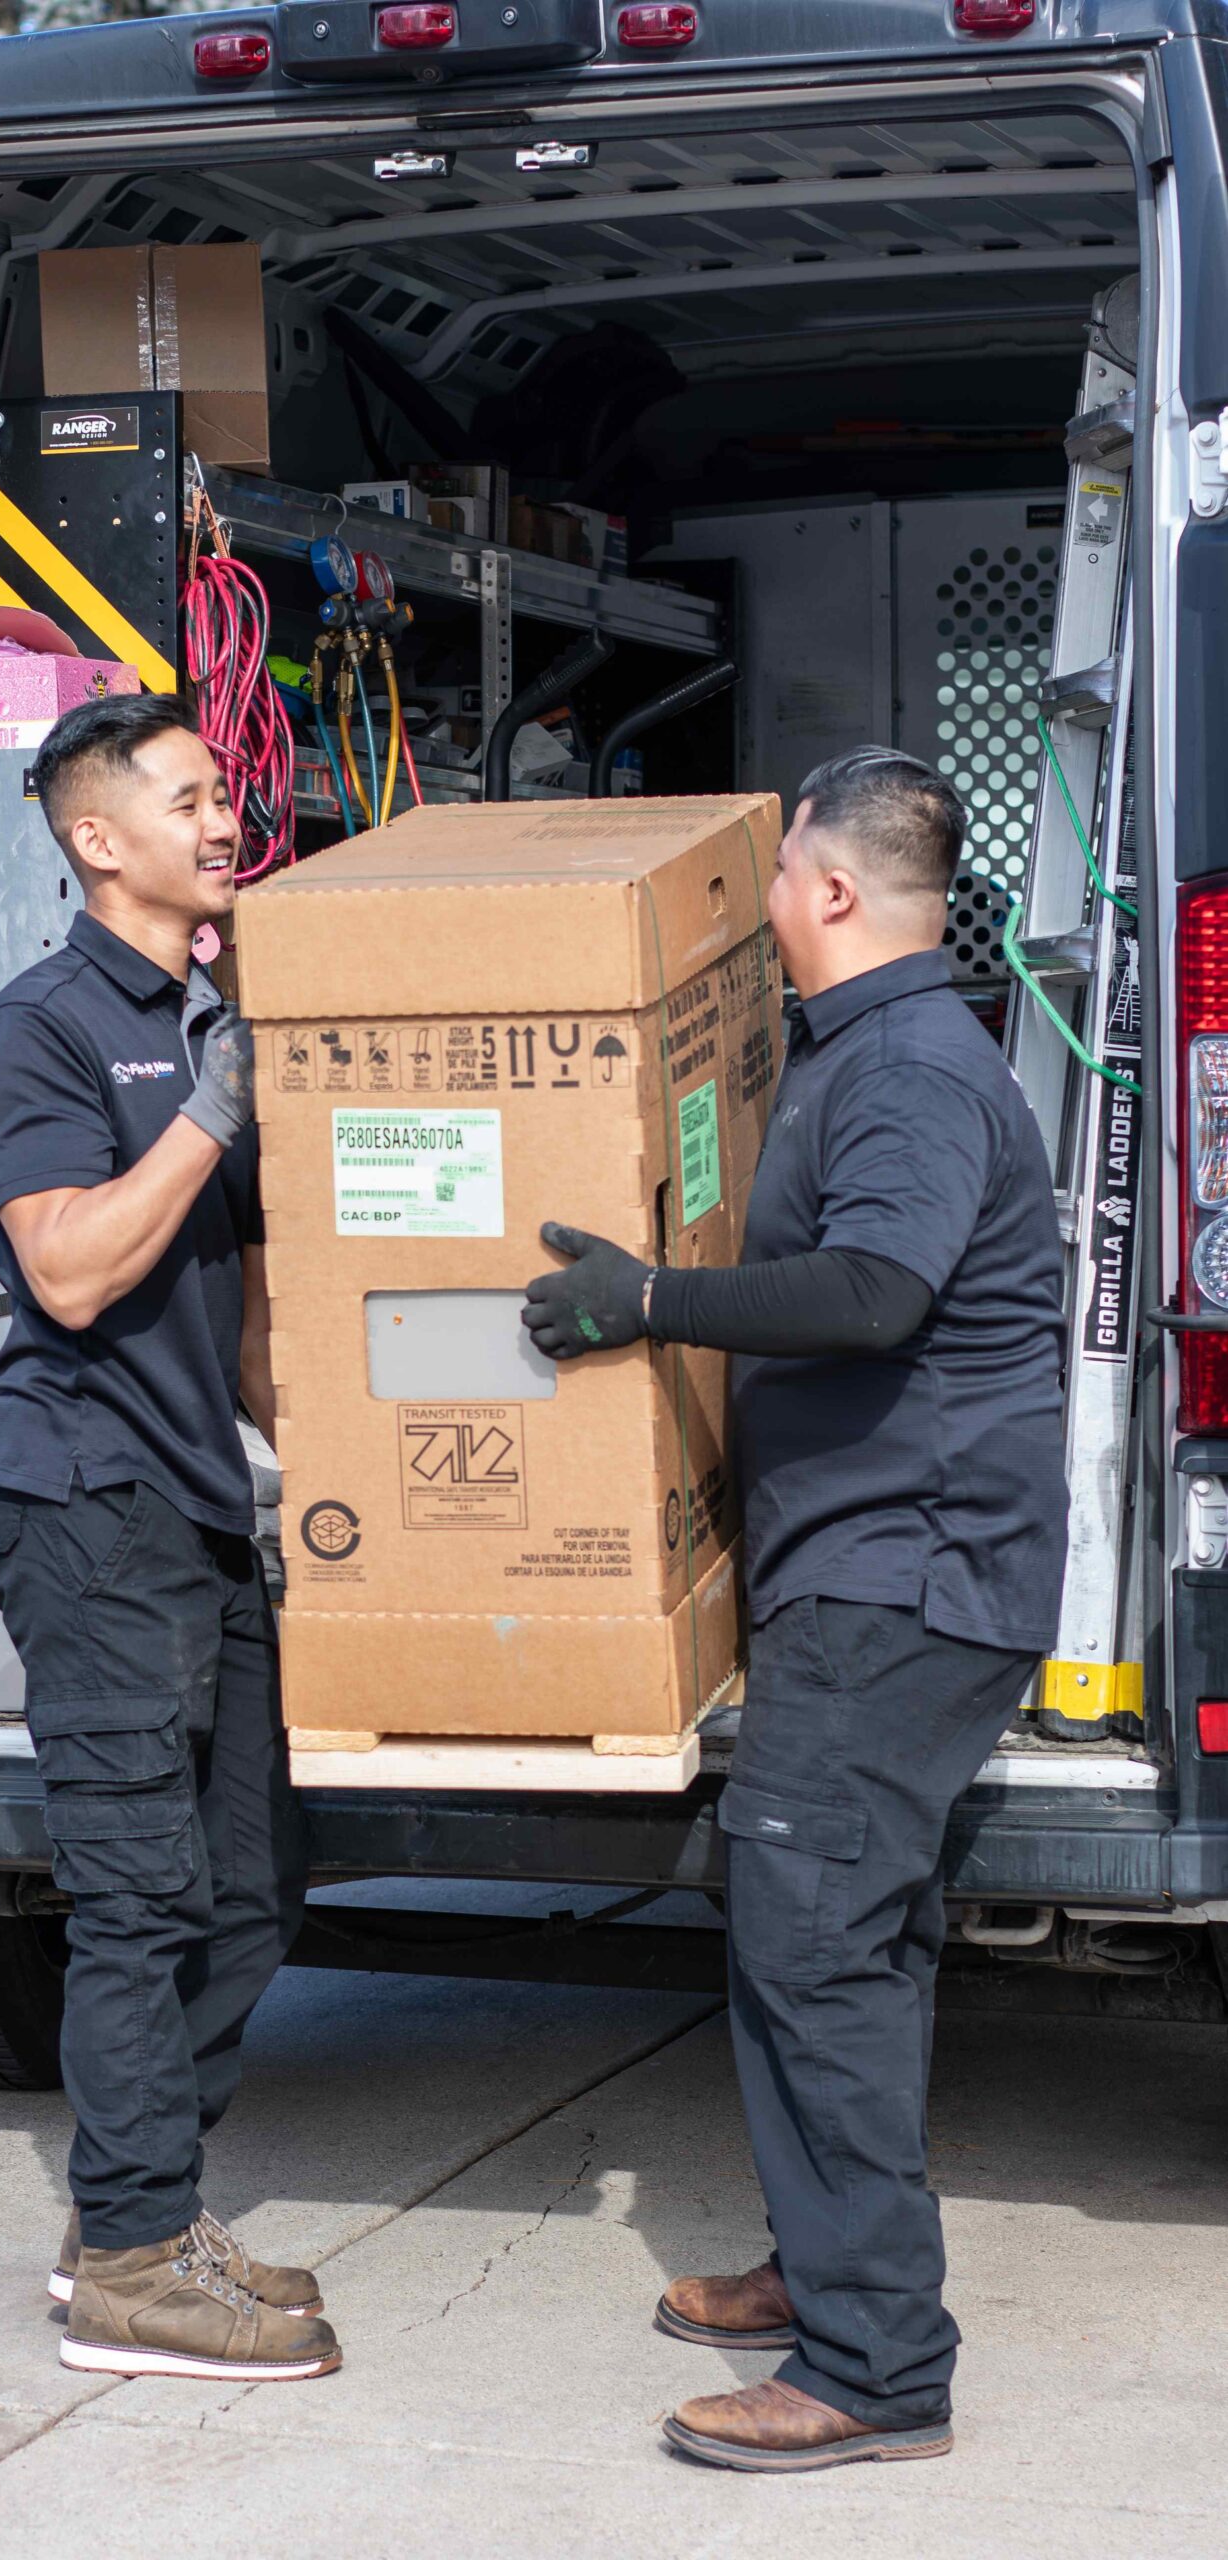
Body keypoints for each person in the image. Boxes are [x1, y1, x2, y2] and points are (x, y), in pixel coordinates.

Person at [522, 748, 1066, 2471]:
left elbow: (879, 1288)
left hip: (904, 1578)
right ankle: (826, 2265)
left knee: (811, 1943)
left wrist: (649, 1302)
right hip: (899, 1571)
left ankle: (876, 2368)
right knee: (853, 1945)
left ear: (829, 891)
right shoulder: (891, 1052)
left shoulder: (906, 1069)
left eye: (776, 879)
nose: (761, 910)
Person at [0, 692, 339, 2384]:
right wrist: (211, 1102)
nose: (220, 814)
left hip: (195, 1507)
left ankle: (140, 2207)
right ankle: (128, 2269)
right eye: (187, 795)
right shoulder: (39, 1030)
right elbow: (74, 1270)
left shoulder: (205, 1021)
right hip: (83, 1502)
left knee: (251, 1888)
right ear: (98, 840)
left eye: (221, 789)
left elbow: (243, 1333)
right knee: (137, 1894)